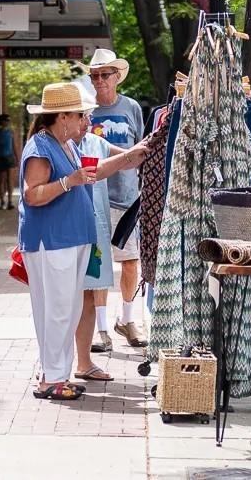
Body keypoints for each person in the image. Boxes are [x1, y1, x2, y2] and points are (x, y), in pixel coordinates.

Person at [19, 81, 98, 401]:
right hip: (51, 241)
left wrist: (128, 158)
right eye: (79, 114)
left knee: (66, 307)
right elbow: (32, 195)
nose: (84, 120)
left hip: (68, 238)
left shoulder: (64, 144)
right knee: (58, 309)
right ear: (62, 116)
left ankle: (56, 373)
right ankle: (52, 377)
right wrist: (68, 182)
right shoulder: (41, 146)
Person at [72, 84, 152, 381]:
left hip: (99, 221)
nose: (88, 122)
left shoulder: (94, 141)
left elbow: (128, 157)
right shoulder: (53, 145)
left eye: (88, 116)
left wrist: (149, 147)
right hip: (68, 232)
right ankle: (55, 367)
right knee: (71, 297)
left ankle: (84, 361)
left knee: (93, 285)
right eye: (84, 116)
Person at [82, 48, 148, 348]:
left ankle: (128, 320)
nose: (98, 81)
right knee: (99, 265)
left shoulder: (132, 107)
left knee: (131, 262)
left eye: (104, 75)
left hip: (128, 197)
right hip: (95, 197)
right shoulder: (87, 111)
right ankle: (102, 329)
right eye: (94, 75)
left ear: (116, 77)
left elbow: (142, 149)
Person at [0, 114, 18, 210]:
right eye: (6, 120)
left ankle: (10, 201)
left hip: (9, 158)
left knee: (10, 180)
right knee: (1, 181)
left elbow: (14, 146)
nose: (7, 122)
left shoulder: (11, 132)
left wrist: (17, 158)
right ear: (1, 122)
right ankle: (2, 201)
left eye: (8, 121)